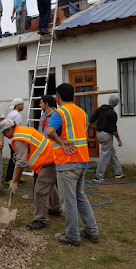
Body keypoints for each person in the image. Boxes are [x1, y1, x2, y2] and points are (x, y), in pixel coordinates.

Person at [47, 83, 99, 246]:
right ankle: (92, 230)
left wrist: (61, 142)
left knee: (68, 201)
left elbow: (49, 131)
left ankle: (72, 235)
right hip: (82, 161)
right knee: (80, 196)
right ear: (73, 97)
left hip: (67, 163)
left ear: (58, 97)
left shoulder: (60, 113)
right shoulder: (82, 113)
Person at [0, 119, 62, 230]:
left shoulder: (19, 139)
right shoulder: (22, 131)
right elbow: (29, 149)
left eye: (4, 132)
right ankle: (56, 208)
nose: (4, 135)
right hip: (51, 157)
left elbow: (21, 163)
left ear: (9, 129)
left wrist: (14, 181)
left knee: (40, 191)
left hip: (47, 160)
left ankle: (40, 220)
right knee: (49, 184)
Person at [23, 95, 57, 200]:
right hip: (41, 148)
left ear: (46, 104)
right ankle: (35, 193)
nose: (40, 105)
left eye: (41, 102)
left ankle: (55, 197)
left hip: (52, 149)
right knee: (37, 170)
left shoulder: (56, 115)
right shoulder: (43, 115)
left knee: (51, 174)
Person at [89, 95, 124, 182]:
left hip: (98, 134)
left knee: (111, 152)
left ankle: (118, 172)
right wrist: (119, 139)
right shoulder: (112, 114)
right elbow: (113, 129)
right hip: (106, 135)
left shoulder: (100, 109)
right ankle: (98, 176)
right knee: (104, 155)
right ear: (116, 104)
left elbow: (91, 120)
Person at [5, 98, 24, 183]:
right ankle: (9, 178)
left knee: (14, 158)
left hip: (11, 140)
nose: (23, 106)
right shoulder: (17, 115)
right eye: (22, 104)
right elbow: (16, 128)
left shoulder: (10, 114)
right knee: (14, 159)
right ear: (18, 105)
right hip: (15, 140)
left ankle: (16, 176)